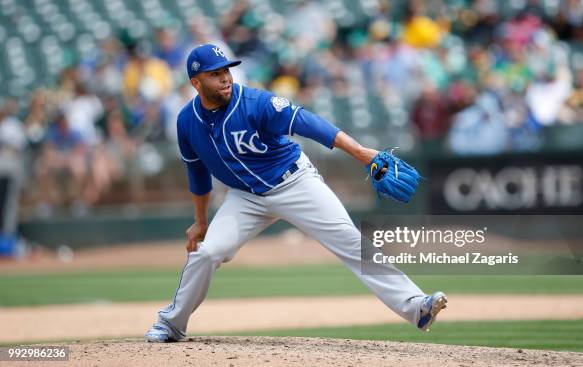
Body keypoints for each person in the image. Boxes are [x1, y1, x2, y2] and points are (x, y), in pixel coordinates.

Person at [144, 44, 447, 342]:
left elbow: (306, 122)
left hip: (295, 182)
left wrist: (360, 152)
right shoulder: (186, 121)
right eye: (215, 74)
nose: (225, 78)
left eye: (226, 71)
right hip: (245, 197)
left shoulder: (255, 103)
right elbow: (197, 173)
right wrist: (200, 220)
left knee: (351, 242)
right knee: (207, 252)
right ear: (196, 82)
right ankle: (171, 325)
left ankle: (415, 306)